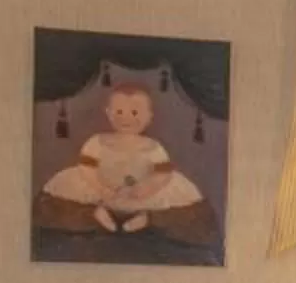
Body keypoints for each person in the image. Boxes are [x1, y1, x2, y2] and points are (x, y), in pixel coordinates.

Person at [36, 83, 218, 244]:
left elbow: (163, 174)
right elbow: (87, 168)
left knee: (186, 210)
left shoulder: (153, 146)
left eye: (135, 112)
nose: (126, 118)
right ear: (108, 113)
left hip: (141, 191)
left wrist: (147, 187)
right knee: (61, 201)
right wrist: (101, 188)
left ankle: (144, 219)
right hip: (101, 187)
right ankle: (98, 215)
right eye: (119, 112)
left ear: (149, 116)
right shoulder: (97, 141)